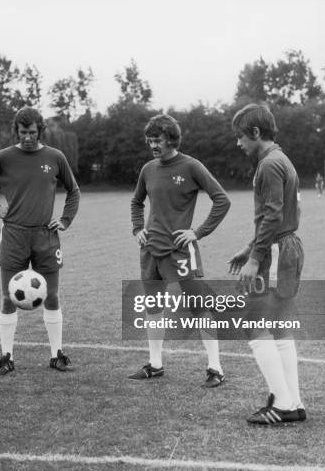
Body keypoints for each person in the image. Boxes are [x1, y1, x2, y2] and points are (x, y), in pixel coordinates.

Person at [0, 106, 80, 375]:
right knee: (8, 297)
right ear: (15, 131)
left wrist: (64, 220)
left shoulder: (55, 156)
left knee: (52, 295)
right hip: (14, 234)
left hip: (45, 235)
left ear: (40, 130)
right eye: (22, 132)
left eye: (32, 132)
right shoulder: (3, 157)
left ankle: (57, 355)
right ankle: (6, 357)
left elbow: (73, 191)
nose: (27, 137)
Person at [130, 114, 231, 387]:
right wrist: (138, 228)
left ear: (172, 139)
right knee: (153, 308)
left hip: (181, 252)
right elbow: (136, 202)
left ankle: (215, 368)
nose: (153, 145)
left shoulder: (191, 166)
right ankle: (155, 364)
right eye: (149, 140)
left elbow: (222, 200)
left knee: (199, 307)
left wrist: (197, 232)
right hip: (151, 251)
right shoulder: (147, 169)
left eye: (158, 140)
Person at [228, 103, 306, 424]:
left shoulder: (269, 164)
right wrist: (249, 249)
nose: (238, 143)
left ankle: (284, 404)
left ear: (256, 133)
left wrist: (257, 257)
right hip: (286, 246)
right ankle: (293, 402)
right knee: (279, 325)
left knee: (253, 325)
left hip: (275, 252)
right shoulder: (281, 159)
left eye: (240, 137)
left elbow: (273, 214)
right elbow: (275, 215)